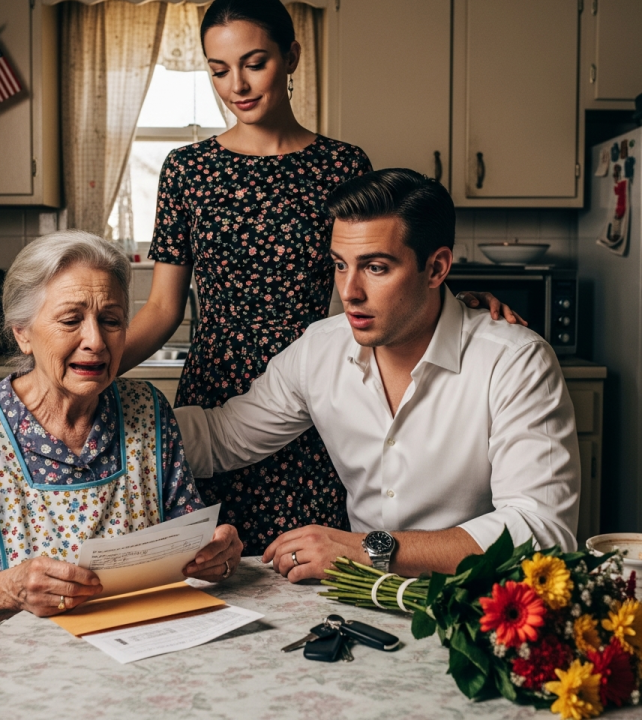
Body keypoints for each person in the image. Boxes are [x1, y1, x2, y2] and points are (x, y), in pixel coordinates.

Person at [120, 0, 521, 555]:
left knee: (316, 563)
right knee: (213, 562)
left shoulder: (342, 163)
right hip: (218, 394)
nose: (237, 85)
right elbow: (163, 309)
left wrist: (460, 302)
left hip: (326, 393)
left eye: (254, 63)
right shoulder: (187, 169)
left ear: (291, 58)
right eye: (218, 71)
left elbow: (385, 256)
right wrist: (83, 371)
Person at [174, 168, 580, 582]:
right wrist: (112, 412)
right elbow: (222, 437)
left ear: (436, 268)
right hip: (360, 604)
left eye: (376, 268)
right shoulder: (320, 348)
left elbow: (542, 531)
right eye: (339, 265)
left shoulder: (514, 360)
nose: (349, 291)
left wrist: (370, 549)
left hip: (477, 605)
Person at [0, 231, 242, 720]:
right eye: (70, 320)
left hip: (125, 666)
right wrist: (12, 588)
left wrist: (214, 551)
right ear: (22, 331)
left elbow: (187, 541)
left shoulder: (147, 409)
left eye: (111, 320)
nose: (96, 342)